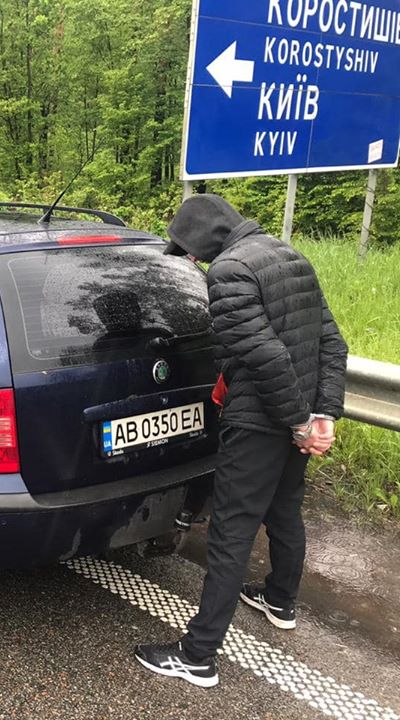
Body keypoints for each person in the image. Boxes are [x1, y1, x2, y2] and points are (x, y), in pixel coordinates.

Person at [134, 194, 348, 688]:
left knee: (231, 534)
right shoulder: (288, 254)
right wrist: (323, 414)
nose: (191, 259)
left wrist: (299, 421)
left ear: (203, 241)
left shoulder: (228, 271)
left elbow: (264, 355)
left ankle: (198, 655)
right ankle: (279, 600)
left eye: (188, 249)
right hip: (295, 416)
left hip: (260, 423)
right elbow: (332, 343)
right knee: (284, 509)